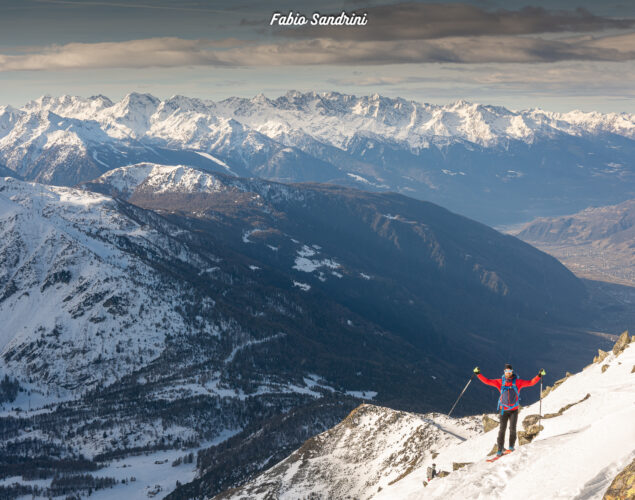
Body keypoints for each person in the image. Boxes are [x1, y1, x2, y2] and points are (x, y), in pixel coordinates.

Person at [472, 363, 546, 456]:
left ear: (512, 372)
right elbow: (487, 381)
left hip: (514, 410)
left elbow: (531, 382)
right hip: (504, 410)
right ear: (504, 372)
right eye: (507, 371)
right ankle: (500, 449)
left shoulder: (518, 382)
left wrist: (539, 375)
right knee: (502, 430)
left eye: (510, 371)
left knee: (512, 429)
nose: (508, 373)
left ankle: (511, 447)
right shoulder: (500, 382)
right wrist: (478, 374)